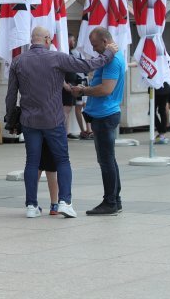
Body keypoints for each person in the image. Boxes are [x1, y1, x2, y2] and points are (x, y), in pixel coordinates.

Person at [6, 26, 117, 219]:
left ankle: (31, 206)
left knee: (32, 162)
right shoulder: (57, 58)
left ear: (32, 40)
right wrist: (109, 52)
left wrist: (10, 119)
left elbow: (10, 94)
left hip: (30, 120)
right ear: (47, 39)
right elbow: (88, 65)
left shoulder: (18, 61)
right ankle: (65, 202)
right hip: (54, 119)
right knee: (62, 160)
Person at [69, 27, 125, 216]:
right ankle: (115, 200)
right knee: (109, 159)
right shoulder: (114, 56)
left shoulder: (112, 61)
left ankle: (110, 202)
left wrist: (83, 90)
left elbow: (106, 89)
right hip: (106, 113)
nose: (94, 50)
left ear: (104, 41)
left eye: (95, 45)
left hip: (105, 114)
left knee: (106, 160)